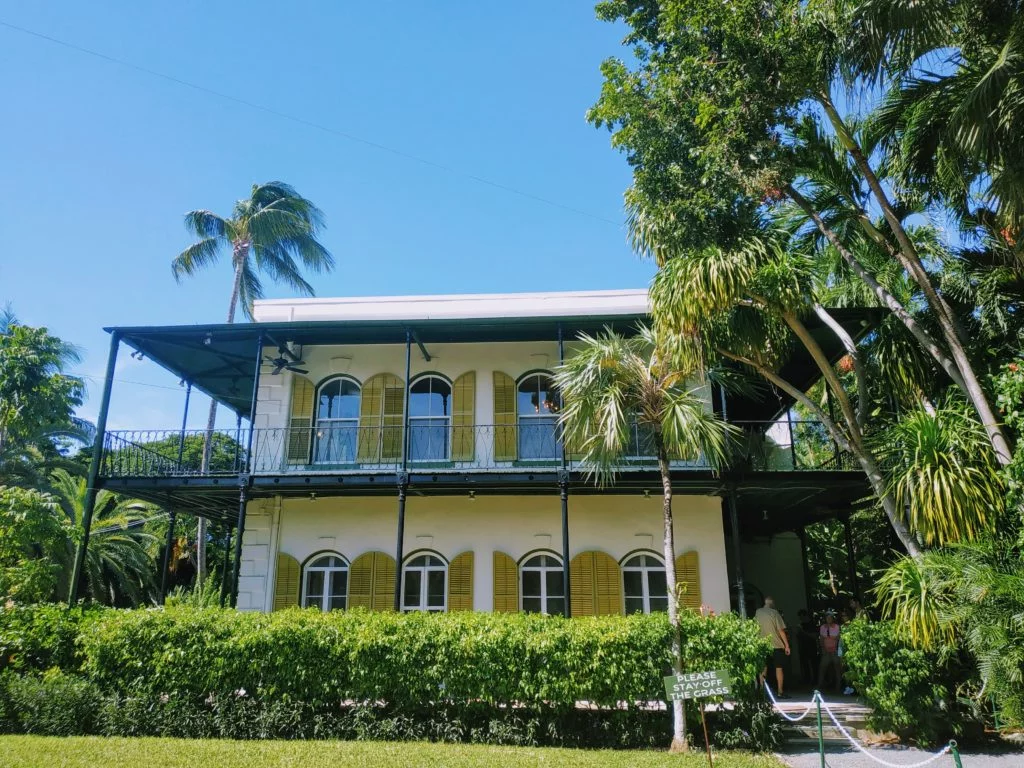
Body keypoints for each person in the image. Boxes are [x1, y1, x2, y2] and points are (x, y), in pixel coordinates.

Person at [755, 596, 791, 698]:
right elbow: (781, 630)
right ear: (772, 604)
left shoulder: (758, 612)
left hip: (762, 644)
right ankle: (780, 692)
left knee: (763, 668)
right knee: (779, 668)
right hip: (776, 645)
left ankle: (762, 691)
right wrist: (786, 645)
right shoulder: (775, 613)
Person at [817, 609, 843, 693]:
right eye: (827, 617)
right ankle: (820, 685)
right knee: (822, 667)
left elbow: (839, 639)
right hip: (826, 651)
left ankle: (838, 686)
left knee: (837, 668)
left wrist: (837, 649)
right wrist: (822, 649)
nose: (829, 619)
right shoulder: (822, 627)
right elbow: (821, 639)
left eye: (830, 617)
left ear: (833, 618)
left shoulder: (837, 627)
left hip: (835, 650)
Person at [797, 609, 819, 685]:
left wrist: (803, 631)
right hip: (803, 647)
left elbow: (815, 636)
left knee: (814, 664)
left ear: (804, 616)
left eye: (801, 617)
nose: (800, 619)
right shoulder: (801, 624)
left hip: (811, 646)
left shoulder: (812, 624)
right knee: (805, 664)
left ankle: (815, 680)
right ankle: (807, 679)